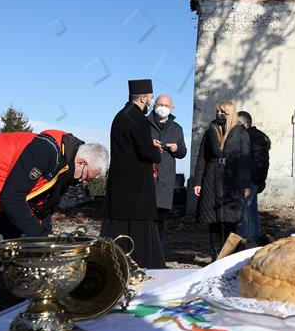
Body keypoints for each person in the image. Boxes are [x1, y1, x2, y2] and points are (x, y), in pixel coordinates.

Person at [0, 130, 108, 308]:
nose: (84, 182)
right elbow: (11, 198)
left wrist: (45, 236)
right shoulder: (46, 150)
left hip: (0, 188)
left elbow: (44, 205)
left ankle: (22, 299)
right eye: (86, 177)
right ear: (81, 162)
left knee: (22, 239)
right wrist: (41, 234)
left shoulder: (67, 164)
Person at [101, 79, 165, 269]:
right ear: (144, 98)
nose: (151, 103)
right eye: (151, 99)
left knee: (118, 229)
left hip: (120, 185)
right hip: (136, 188)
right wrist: (156, 151)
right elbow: (146, 152)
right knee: (140, 233)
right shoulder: (139, 120)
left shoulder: (121, 116)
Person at [193, 101, 252, 259]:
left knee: (231, 219)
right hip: (211, 177)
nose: (219, 114)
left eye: (223, 112)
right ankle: (215, 254)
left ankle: (229, 256)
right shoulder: (210, 131)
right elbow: (202, 158)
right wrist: (197, 182)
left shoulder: (241, 133)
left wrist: (246, 185)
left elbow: (246, 160)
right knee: (213, 220)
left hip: (233, 179)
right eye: (217, 111)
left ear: (230, 114)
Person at [148, 94, 187, 253]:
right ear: (154, 105)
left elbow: (183, 151)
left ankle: (158, 253)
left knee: (161, 220)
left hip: (165, 178)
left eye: (166, 105)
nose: (162, 108)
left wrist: (176, 149)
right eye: (159, 104)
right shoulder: (145, 123)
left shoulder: (177, 128)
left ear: (172, 109)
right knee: (145, 220)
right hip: (147, 178)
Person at [236, 111, 270, 246]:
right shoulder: (251, 136)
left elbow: (260, 162)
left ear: (247, 123)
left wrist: (256, 181)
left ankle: (248, 240)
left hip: (250, 180)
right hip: (248, 180)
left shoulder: (253, 137)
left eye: (238, 123)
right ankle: (253, 238)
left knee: (246, 211)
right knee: (250, 210)